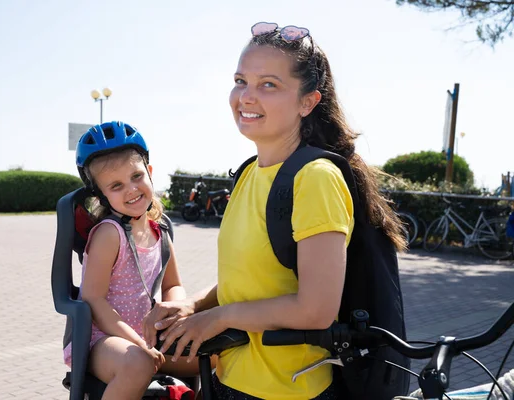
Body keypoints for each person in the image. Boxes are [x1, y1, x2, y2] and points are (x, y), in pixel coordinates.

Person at [142, 22, 407, 400]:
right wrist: (192, 305)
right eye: (240, 81)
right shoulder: (250, 173)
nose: (246, 97)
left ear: (307, 101)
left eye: (268, 84)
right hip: (230, 378)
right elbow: (253, 280)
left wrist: (216, 318)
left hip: (287, 390)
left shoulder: (316, 178)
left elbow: (315, 309)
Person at [63, 121, 199, 400]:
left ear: (150, 173)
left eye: (136, 176)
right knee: (138, 364)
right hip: (101, 340)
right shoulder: (109, 234)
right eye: (116, 185)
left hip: (146, 336)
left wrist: (175, 311)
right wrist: (137, 342)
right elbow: (94, 301)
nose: (131, 189)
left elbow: (173, 284)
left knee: (213, 352)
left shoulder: (159, 230)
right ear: (101, 195)